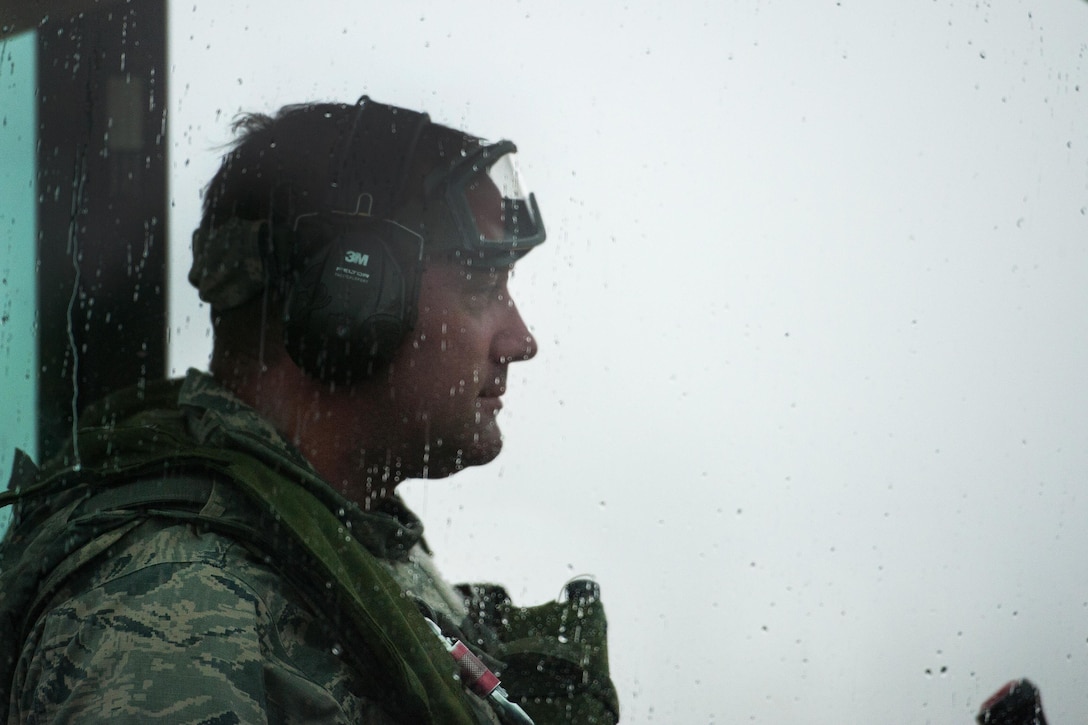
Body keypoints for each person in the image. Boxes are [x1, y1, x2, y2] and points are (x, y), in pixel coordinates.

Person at [0, 97, 618, 724]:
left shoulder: (344, 535)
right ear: (350, 302)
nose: (521, 340)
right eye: (482, 287)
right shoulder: (172, 614)